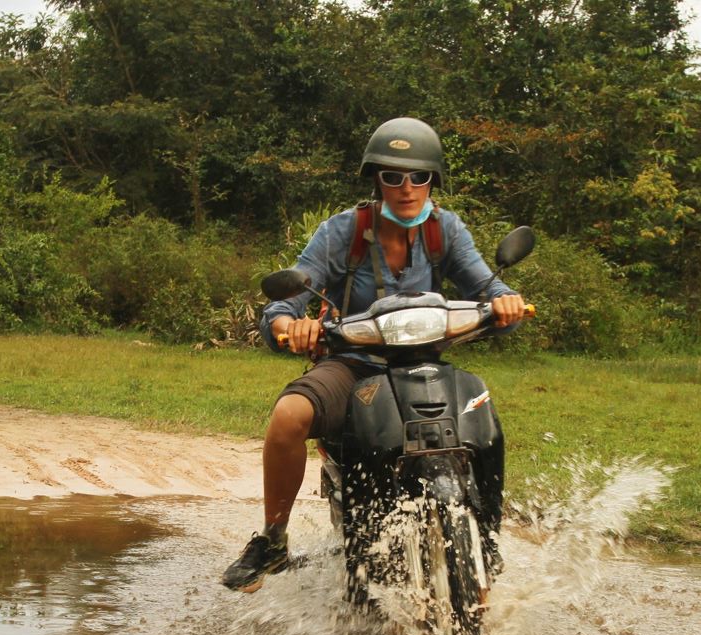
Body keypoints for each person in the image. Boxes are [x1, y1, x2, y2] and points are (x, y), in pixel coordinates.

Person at [223, 117, 526, 593]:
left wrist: (506, 303)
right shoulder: (342, 232)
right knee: (288, 416)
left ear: (433, 180)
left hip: (427, 367)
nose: (406, 188)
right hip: (354, 365)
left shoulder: (445, 230)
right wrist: (291, 326)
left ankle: (486, 539)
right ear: (376, 180)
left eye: (418, 176)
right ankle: (274, 540)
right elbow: (283, 305)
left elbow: (487, 285)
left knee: (481, 417)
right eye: (392, 176)